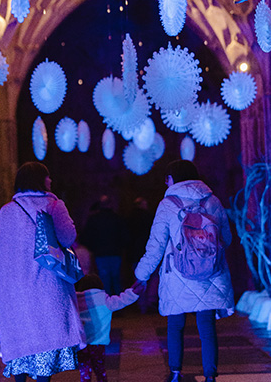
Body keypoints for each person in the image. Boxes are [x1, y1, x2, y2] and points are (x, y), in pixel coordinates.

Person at [134, 160, 234, 382]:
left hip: (178, 274)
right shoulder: (213, 200)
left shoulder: (168, 204)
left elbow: (156, 245)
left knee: (175, 325)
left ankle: (176, 373)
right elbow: (226, 238)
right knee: (207, 327)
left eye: (167, 177)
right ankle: (210, 376)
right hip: (211, 272)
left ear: (173, 178)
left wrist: (141, 275)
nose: (165, 182)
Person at [0, 162, 86, 382]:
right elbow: (67, 238)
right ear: (39, 180)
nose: (50, 180)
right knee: (46, 342)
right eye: (47, 176)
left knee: (21, 341)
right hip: (48, 286)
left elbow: (0, 252)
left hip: (15, 290)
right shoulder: (54, 205)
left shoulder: (7, 211)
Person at [74, 274, 142, 382]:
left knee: (85, 371)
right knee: (100, 370)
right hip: (98, 344)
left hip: (81, 344)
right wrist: (134, 291)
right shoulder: (104, 300)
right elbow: (122, 300)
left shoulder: (76, 301)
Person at [80, 195, 125, 296]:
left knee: (104, 280)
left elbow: (86, 237)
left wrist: (93, 248)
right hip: (115, 253)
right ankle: (119, 304)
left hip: (100, 254)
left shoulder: (94, 219)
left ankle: (107, 305)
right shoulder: (117, 219)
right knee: (116, 279)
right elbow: (124, 237)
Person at [125, 196, 156, 313]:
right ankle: (150, 302)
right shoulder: (149, 217)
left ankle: (141, 305)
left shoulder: (129, 218)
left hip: (135, 253)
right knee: (153, 277)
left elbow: (126, 237)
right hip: (149, 251)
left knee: (139, 279)